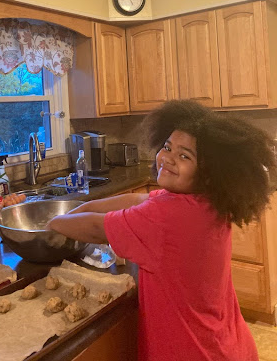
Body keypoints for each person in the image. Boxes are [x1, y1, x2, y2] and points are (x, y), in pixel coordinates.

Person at [47, 100, 277, 361]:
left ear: (208, 172)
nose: (166, 158)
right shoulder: (205, 200)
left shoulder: (167, 218)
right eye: (167, 147)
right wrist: (80, 207)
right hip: (227, 343)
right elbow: (140, 200)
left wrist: (53, 223)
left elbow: (95, 229)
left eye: (184, 156)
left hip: (192, 351)